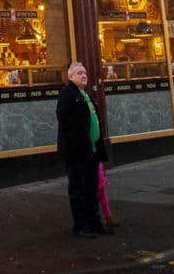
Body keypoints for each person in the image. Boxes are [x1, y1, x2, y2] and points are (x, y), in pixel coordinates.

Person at [54, 62, 108, 238]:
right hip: (78, 152)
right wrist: (77, 144)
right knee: (78, 189)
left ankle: (94, 222)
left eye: (84, 72)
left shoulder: (85, 95)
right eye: (79, 73)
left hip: (91, 150)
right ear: (70, 77)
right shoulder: (67, 95)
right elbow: (65, 121)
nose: (84, 75)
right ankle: (81, 226)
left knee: (91, 188)